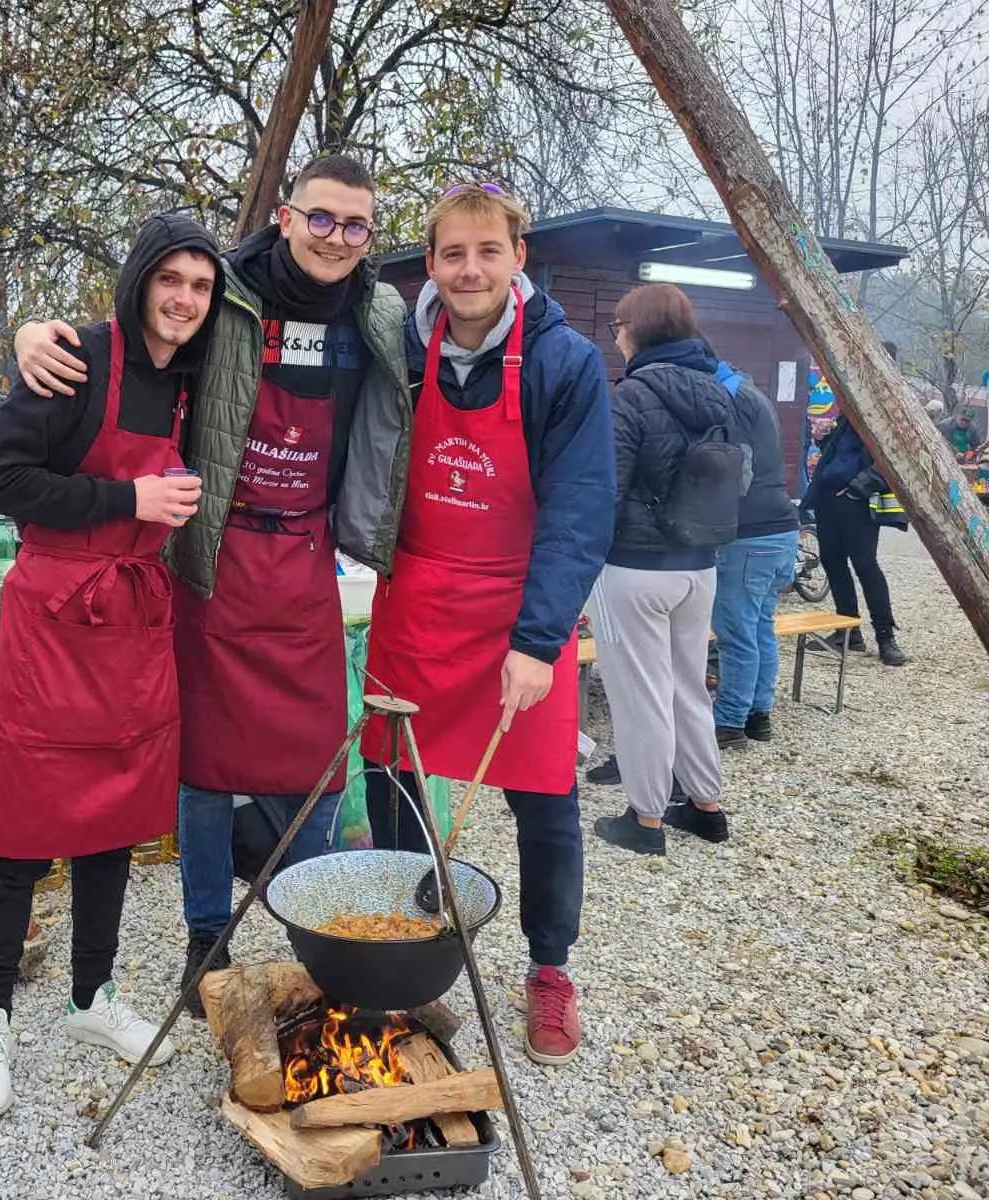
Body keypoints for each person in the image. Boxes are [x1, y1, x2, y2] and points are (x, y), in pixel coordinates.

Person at [14, 155, 413, 1016]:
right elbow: (139, 334)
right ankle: (208, 935)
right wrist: (34, 334)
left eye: (355, 225)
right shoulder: (225, 292)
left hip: (306, 560)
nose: (337, 238)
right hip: (213, 558)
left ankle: (319, 925)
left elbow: (453, 356)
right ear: (285, 215)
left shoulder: (380, 313)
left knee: (318, 761)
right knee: (203, 766)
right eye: (321, 219)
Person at [0, 214, 222, 1119]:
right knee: (17, 825)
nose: (185, 298)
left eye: (200, 284)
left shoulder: (197, 377)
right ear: (141, 280)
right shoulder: (75, 358)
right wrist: (129, 496)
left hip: (134, 620)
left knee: (115, 815)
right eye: (171, 279)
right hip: (55, 616)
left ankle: (89, 997)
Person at [360, 183, 614, 1067]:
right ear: (430, 264)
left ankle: (549, 968)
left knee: (545, 800)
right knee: (392, 780)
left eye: (488, 252)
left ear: (518, 259)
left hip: (519, 607)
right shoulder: (398, 343)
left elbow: (581, 511)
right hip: (417, 604)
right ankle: (397, 932)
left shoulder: (564, 362)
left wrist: (540, 641)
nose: (471, 269)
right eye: (453, 253)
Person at [590, 283, 734, 857]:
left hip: (636, 566)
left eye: (618, 327)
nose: (617, 337)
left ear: (637, 330)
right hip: (700, 564)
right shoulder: (718, 391)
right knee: (688, 688)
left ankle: (645, 818)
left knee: (640, 694)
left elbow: (608, 485)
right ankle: (706, 807)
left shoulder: (631, 395)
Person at [710, 358, 802, 746]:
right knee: (761, 627)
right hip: (783, 530)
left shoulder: (729, 399)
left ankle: (729, 722)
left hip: (750, 536)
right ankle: (758, 714)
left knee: (737, 635)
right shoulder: (754, 394)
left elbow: (738, 470)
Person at [804, 397, 908, 667]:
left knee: (866, 566)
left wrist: (856, 489)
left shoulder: (883, 412)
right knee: (833, 563)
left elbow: (892, 460)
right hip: (828, 499)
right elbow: (841, 457)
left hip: (857, 503)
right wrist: (823, 440)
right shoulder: (848, 410)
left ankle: (886, 638)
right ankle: (848, 631)